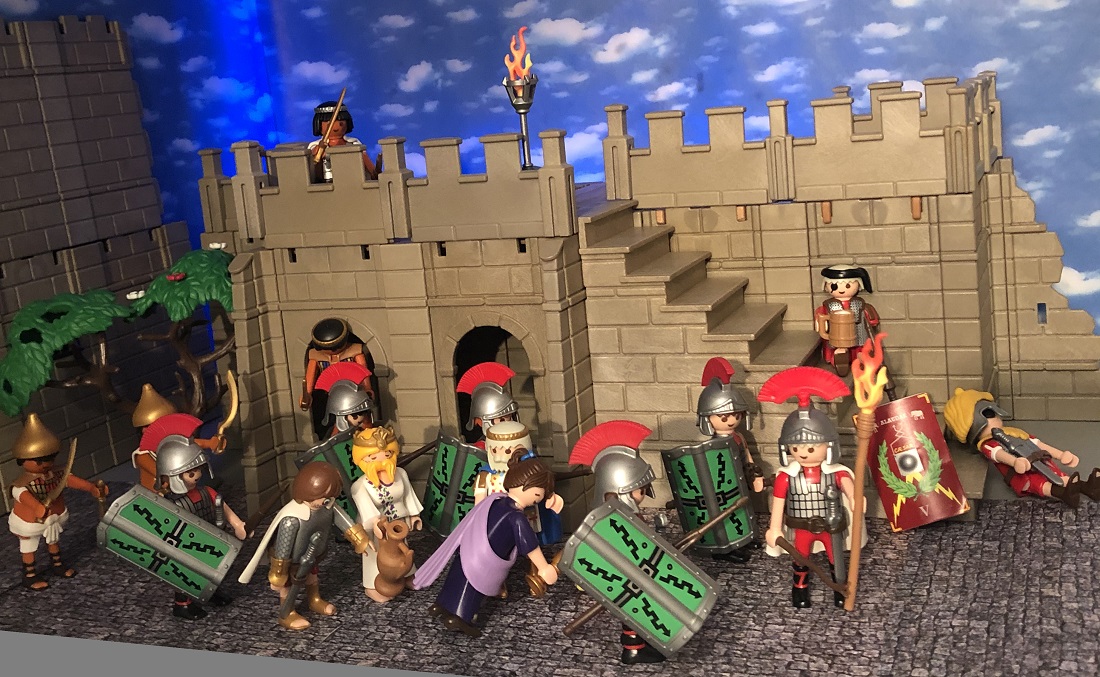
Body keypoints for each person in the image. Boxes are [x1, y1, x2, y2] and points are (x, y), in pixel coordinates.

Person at [411, 457, 558, 638]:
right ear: (530, 487)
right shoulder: (517, 517)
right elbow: (530, 546)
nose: (538, 499)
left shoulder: (496, 499)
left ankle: (442, 603)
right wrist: (544, 568)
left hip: (469, 545)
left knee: (458, 574)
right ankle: (461, 616)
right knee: (473, 586)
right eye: (539, 494)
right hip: (486, 557)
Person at [239, 461, 370, 629]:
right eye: (325, 497)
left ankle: (314, 600)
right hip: (291, 560)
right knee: (287, 586)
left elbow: (344, 521)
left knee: (312, 576)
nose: (329, 501)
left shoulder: (327, 506)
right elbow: (283, 546)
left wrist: (360, 539)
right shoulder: (292, 519)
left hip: (313, 554)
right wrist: (279, 572)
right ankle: (287, 612)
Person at [944, 388, 1100, 507]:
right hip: (1020, 473)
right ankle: (1062, 494)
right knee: (1038, 483)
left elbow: (1037, 443)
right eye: (990, 413)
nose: (996, 417)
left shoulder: (1014, 433)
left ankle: (1087, 487)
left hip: (1039, 460)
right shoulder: (987, 444)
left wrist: (1060, 455)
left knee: (1058, 475)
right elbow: (998, 454)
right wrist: (1015, 462)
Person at [8, 414, 107, 590]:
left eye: (49, 459)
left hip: (53, 516)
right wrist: (37, 507)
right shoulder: (21, 484)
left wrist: (91, 488)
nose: (46, 464)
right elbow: (22, 495)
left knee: (53, 540)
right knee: (29, 546)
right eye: (39, 461)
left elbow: (69, 480)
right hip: (31, 521)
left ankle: (57, 565)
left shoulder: (56, 474)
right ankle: (29, 575)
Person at [155, 434, 247, 619]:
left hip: (211, 537)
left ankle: (210, 592)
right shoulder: (170, 503)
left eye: (198, 470)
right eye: (191, 473)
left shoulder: (206, 492)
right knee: (185, 574)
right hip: (185, 546)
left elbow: (223, 507)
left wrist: (238, 524)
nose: (197, 476)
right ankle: (183, 604)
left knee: (212, 570)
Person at [695, 356, 764, 563]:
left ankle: (744, 538)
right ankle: (725, 547)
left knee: (743, 511)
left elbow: (746, 454)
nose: (732, 420)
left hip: (740, 481)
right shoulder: (712, 446)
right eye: (724, 417)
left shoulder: (738, 437)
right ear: (708, 418)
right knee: (725, 515)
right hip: (723, 489)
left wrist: (752, 470)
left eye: (736, 415)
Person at [349, 426, 423, 603]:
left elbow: (408, 496)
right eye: (373, 457)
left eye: (387, 455)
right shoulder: (360, 486)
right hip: (377, 527)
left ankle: (406, 574)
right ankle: (372, 585)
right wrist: (376, 523)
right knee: (375, 555)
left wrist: (414, 515)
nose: (381, 460)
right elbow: (365, 508)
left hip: (398, 522)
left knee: (402, 548)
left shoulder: (400, 474)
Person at [308, 100, 378, 182]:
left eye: (341, 123)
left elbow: (365, 160)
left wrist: (374, 174)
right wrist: (319, 152)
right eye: (330, 124)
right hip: (327, 181)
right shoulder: (316, 146)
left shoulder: (353, 144)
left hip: (352, 180)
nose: (336, 127)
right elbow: (312, 165)